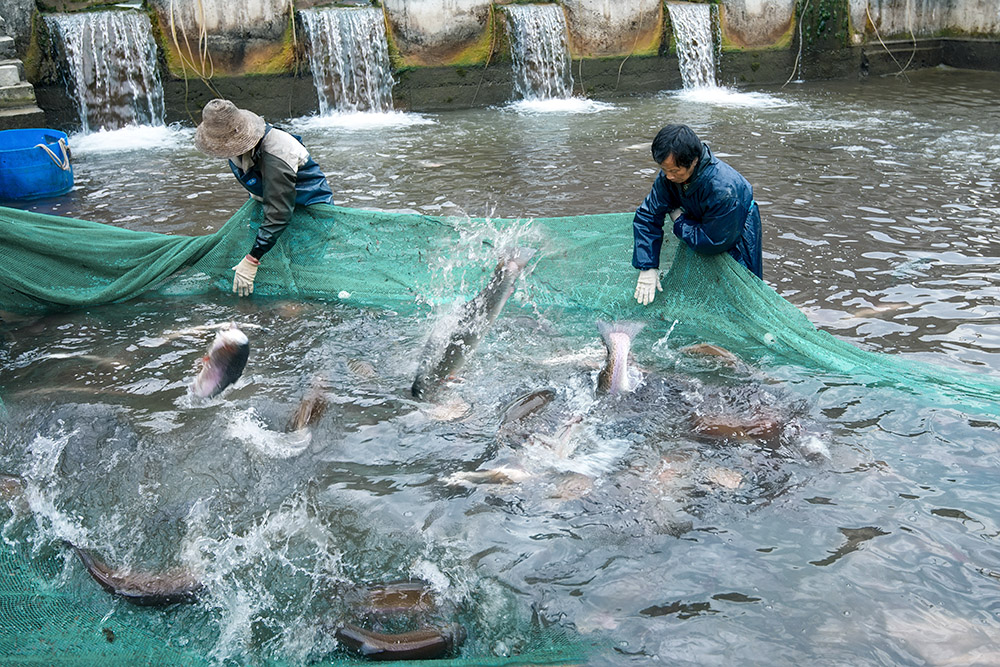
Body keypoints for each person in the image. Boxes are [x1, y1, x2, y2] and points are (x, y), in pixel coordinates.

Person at [194, 98, 334, 296]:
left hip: (309, 210)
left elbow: (279, 212)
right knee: (267, 271)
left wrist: (252, 259)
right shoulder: (236, 151)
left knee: (299, 275)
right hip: (268, 205)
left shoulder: (277, 152)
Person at [632, 124, 762, 306]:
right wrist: (647, 265)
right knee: (697, 290)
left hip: (735, 228)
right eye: (664, 169)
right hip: (697, 219)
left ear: (694, 160)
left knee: (741, 294)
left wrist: (679, 221)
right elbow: (648, 215)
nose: (668, 176)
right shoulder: (669, 178)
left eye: (675, 171)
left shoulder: (724, 189)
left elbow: (713, 241)